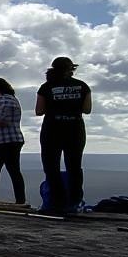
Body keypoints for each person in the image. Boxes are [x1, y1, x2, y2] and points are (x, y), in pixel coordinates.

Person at [36, 56, 92, 213]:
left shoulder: (46, 87)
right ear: (71, 69)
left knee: (51, 166)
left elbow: (39, 111)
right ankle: (74, 202)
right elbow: (87, 109)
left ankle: (56, 202)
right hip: (75, 128)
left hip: (52, 128)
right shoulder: (82, 86)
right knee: (74, 166)